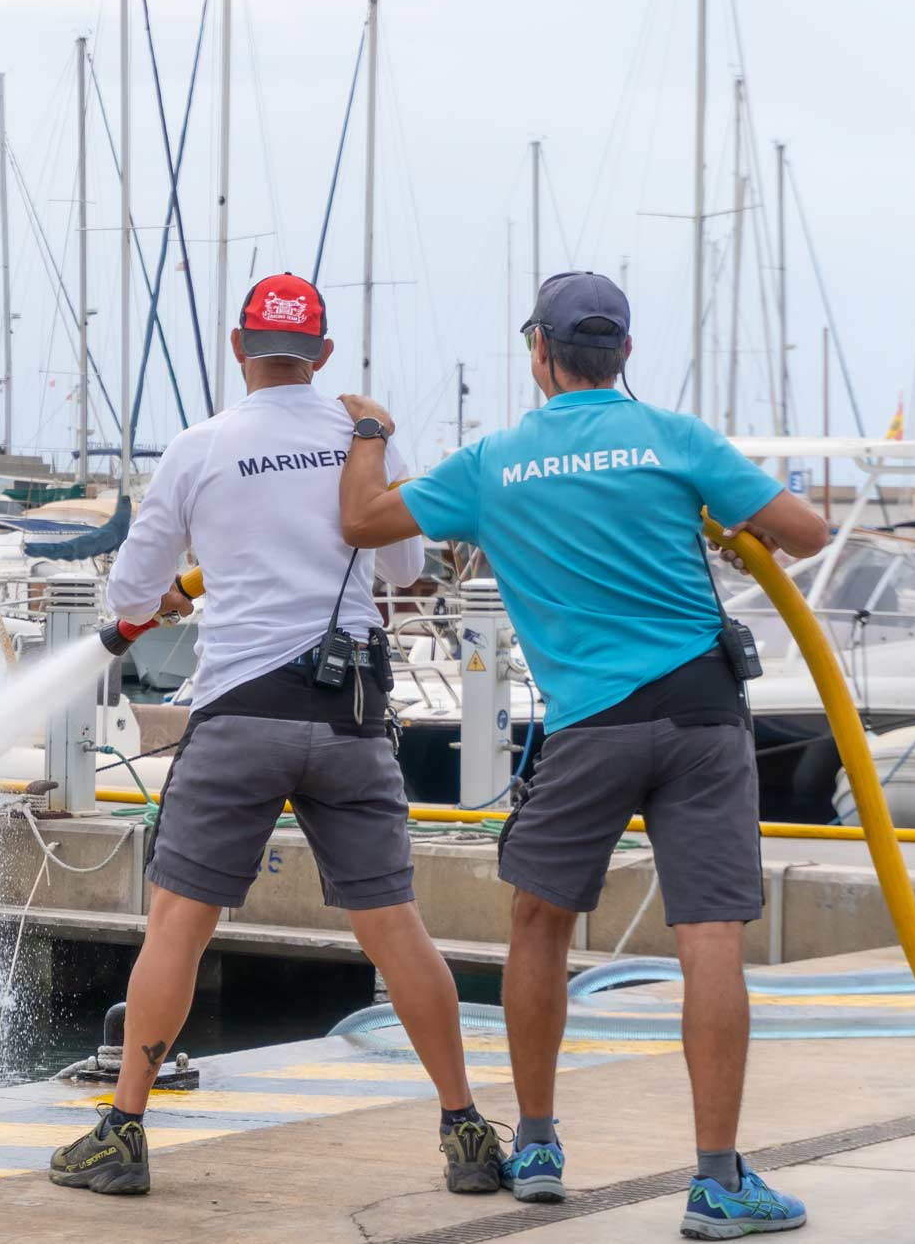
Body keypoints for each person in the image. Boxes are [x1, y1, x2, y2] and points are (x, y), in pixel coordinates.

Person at [336, 271, 829, 1239]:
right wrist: (732, 534)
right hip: (697, 714)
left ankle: (535, 1145)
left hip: (586, 725)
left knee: (537, 924)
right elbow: (804, 533)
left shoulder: (494, 462)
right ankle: (719, 1181)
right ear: (624, 355)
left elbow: (361, 522)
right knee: (709, 941)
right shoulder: (672, 438)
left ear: (539, 355)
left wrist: (367, 432)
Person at [49, 273, 507, 1197]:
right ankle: (463, 1126)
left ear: (236, 346)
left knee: (179, 925)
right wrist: (367, 448)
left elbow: (133, 598)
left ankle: (124, 1131)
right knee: (397, 931)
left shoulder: (198, 449)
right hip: (347, 720)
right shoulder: (359, 436)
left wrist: (192, 576)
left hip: (239, 717)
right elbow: (407, 563)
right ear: (324, 356)